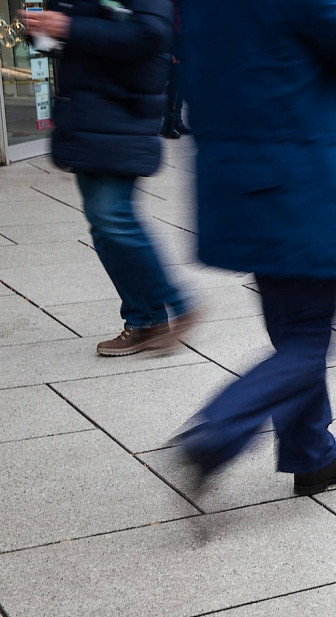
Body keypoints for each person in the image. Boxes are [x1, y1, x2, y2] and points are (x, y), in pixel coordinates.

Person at [176, 0, 336, 495]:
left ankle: (311, 454)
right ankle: (220, 429)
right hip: (300, 176)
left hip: (240, 173)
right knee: (310, 338)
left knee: (295, 325)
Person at [21, 0, 195, 358]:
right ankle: (145, 321)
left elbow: (152, 32)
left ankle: (179, 305)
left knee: (113, 218)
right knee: (104, 225)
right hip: (87, 113)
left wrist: (68, 27)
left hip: (121, 110)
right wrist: (40, 30)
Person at [160, 0, 190, 139]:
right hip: (175, 44)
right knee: (174, 84)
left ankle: (177, 121)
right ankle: (168, 124)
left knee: (180, 84)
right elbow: (171, 21)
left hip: (183, 42)